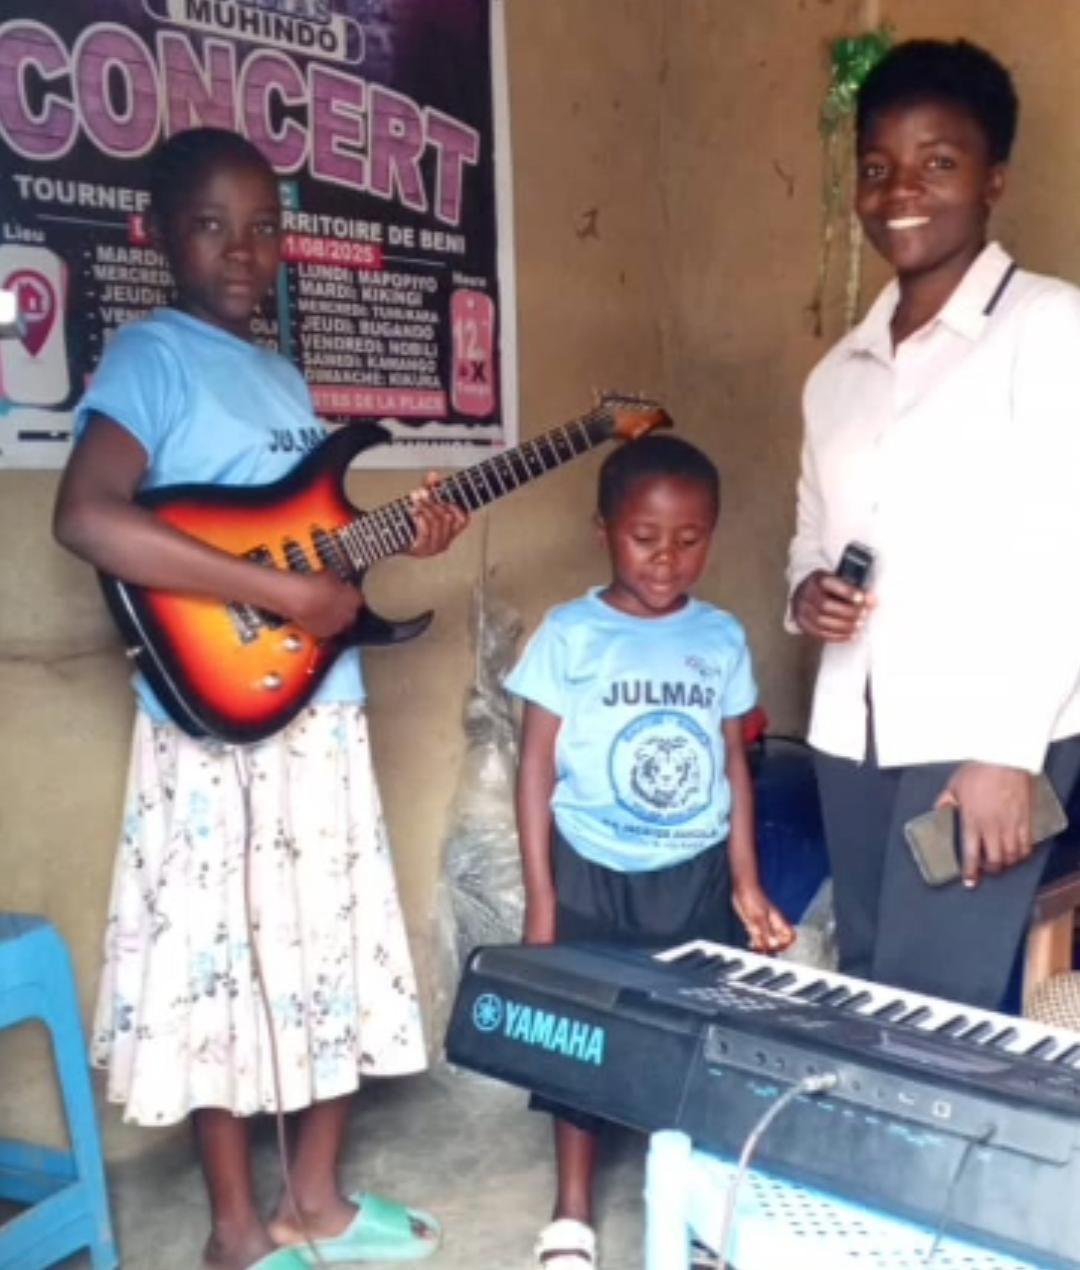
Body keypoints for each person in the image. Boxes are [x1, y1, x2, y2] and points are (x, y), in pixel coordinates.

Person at [53, 127, 468, 1270]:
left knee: (326, 954)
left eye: (264, 228)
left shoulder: (285, 376)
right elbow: (88, 516)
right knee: (221, 973)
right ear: (157, 236)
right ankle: (239, 1231)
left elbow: (314, 553)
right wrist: (274, 592)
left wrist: (408, 536)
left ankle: (315, 1206)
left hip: (319, 716)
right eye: (211, 226)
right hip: (216, 732)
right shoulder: (151, 355)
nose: (243, 252)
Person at [788, 39, 1080, 1012]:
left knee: (938, 998)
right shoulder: (838, 374)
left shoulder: (1049, 330)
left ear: (994, 178)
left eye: (937, 162)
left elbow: (1065, 556)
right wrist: (807, 594)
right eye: (878, 167)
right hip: (852, 724)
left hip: (985, 725)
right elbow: (809, 532)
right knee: (869, 978)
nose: (900, 189)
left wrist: (1007, 750)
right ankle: (872, 1166)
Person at [506, 434, 793, 1269]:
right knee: (578, 1036)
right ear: (603, 529)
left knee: (699, 1036)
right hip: (589, 865)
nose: (666, 559)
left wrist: (745, 879)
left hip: (696, 870)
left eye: (689, 538)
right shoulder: (569, 635)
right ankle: (570, 1214)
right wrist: (542, 898)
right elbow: (534, 768)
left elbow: (735, 760)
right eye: (644, 537)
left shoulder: (721, 637)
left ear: (713, 532)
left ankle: (703, 1210)